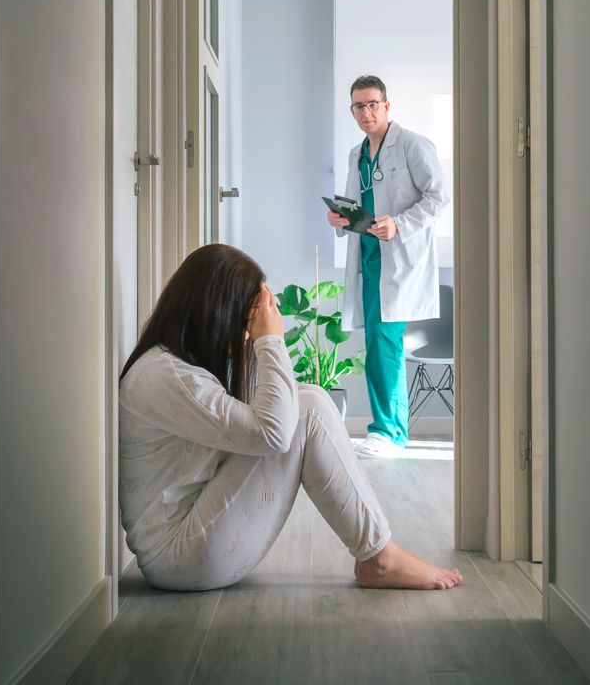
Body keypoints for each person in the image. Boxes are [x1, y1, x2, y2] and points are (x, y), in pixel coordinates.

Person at [119, 243, 461, 592]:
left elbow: (271, 414)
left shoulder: (179, 367)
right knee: (308, 408)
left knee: (308, 399)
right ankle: (380, 557)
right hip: (177, 556)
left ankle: (379, 551)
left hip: (188, 542)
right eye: (247, 319)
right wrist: (270, 341)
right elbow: (275, 432)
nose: (248, 332)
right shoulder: (169, 377)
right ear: (218, 312)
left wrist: (262, 340)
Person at [327, 75, 449, 457]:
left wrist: (399, 224)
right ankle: (386, 430)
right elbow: (357, 202)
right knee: (376, 344)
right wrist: (340, 219)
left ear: (386, 106)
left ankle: (390, 432)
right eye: (358, 106)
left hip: (398, 261)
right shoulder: (356, 154)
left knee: (385, 344)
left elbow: (438, 198)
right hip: (368, 260)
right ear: (352, 111)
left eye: (372, 104)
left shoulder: (412, 145)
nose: (366, 112)